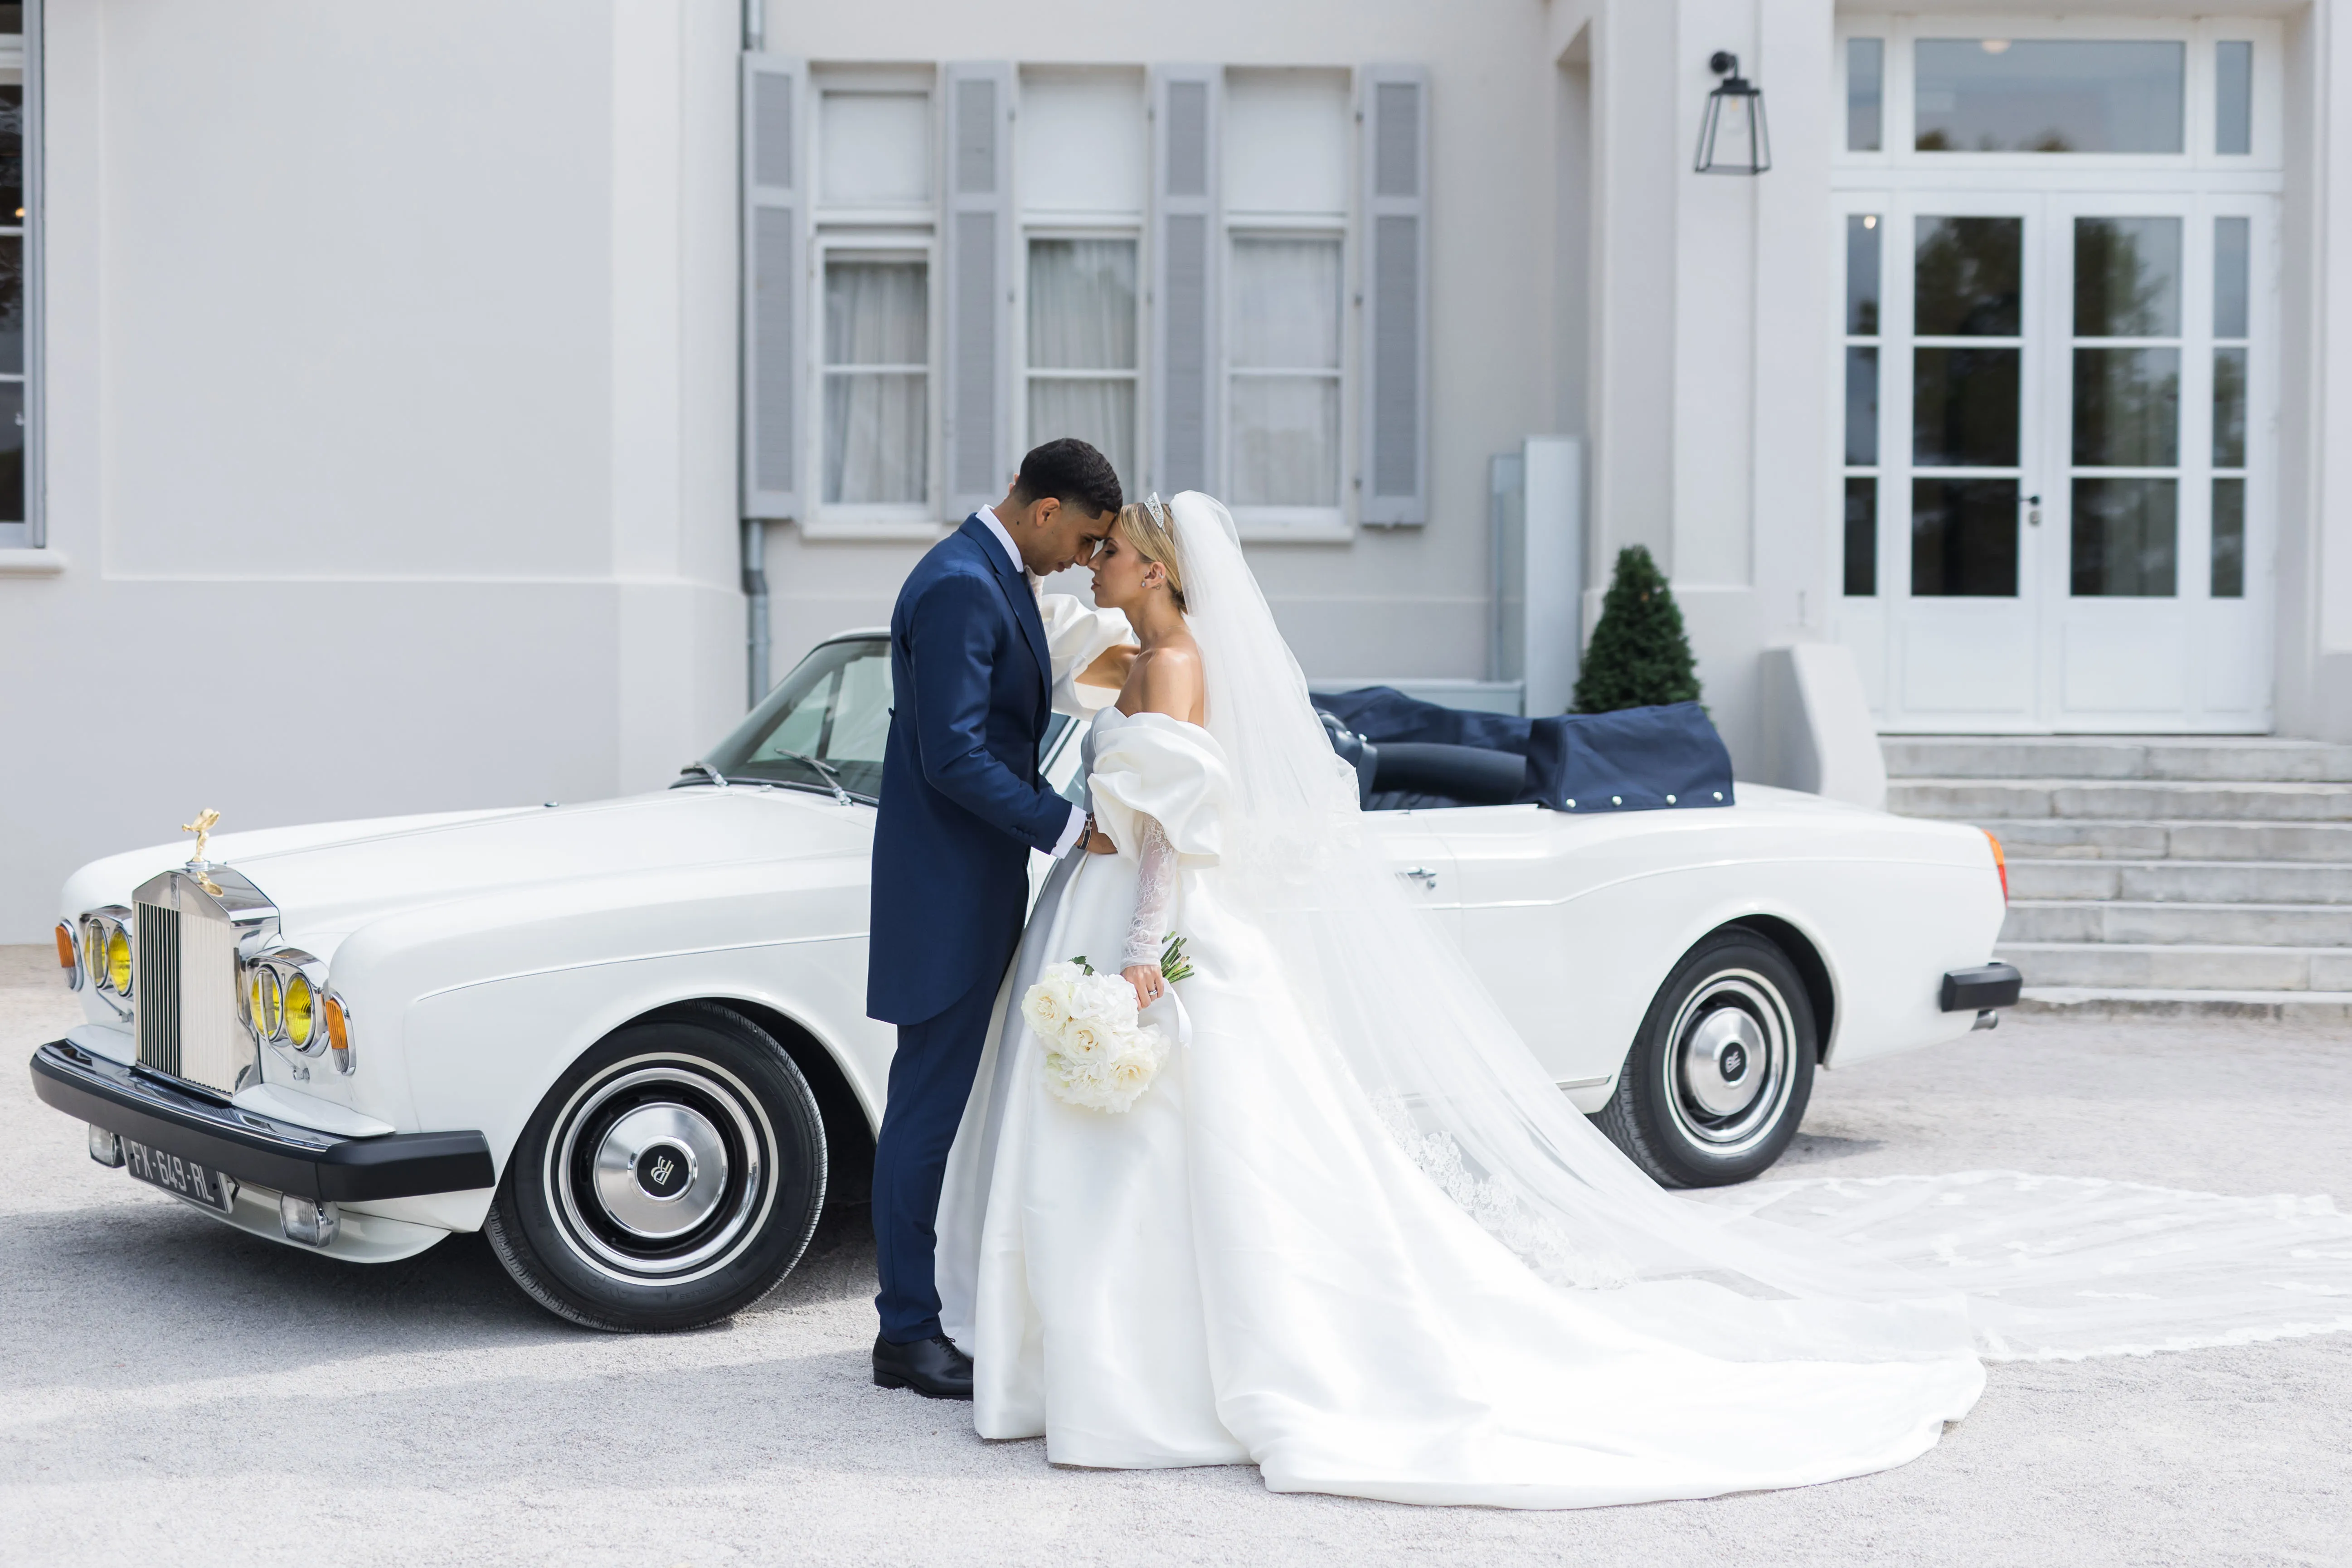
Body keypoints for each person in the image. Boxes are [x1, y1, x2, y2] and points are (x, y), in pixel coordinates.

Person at [929, 491, 2352, 1508]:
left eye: (1105, 551)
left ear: (1156, 565)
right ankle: (1095, 1356)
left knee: (1188, 1159)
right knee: (1179, 1161)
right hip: (1123, 908)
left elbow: (1178, 832)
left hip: (1153, 928)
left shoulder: (1172, 663)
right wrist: (1085, 655)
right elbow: (1082, 689)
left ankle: (1139, 1369)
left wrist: (1139, 961)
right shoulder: (1146, 653)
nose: (1087, 568)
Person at [865, 438, 1133, 1399]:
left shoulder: (994, 571)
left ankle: (927, 1305)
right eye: (1086, 538)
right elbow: (951, 756)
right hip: (941, 893)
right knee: (925, 1112)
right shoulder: (959, 585)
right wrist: (1068, 826)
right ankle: (904, 1331)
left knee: (943, 1105)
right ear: (1046, 508)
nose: (1081, 560)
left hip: (973, 883)